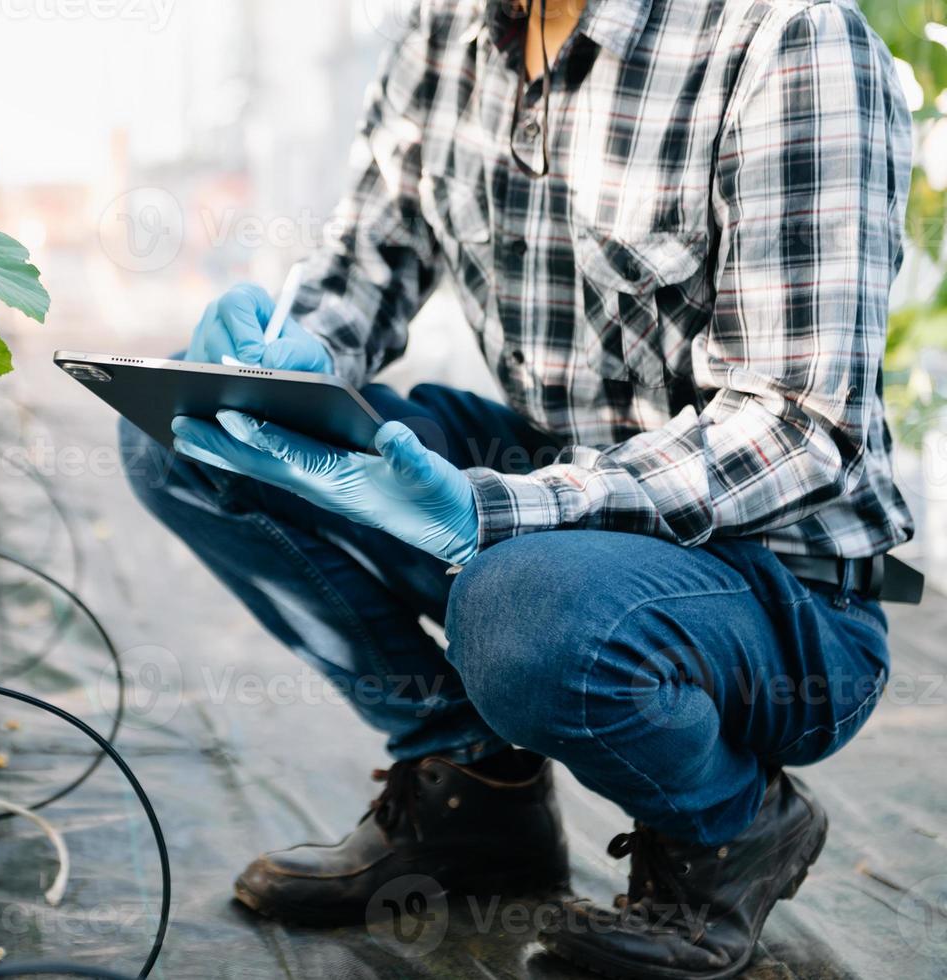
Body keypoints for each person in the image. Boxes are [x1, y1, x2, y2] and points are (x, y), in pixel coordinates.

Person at [117, 0, 920, 976]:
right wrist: (281, 363)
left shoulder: (787, 40)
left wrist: (494, 510)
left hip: (776, 587)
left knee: (518, 608)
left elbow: (794, 423)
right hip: (555, 493)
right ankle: (474, 792)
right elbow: (369, 259)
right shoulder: (445, 26)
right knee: (192, 437)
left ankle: (728, 826)